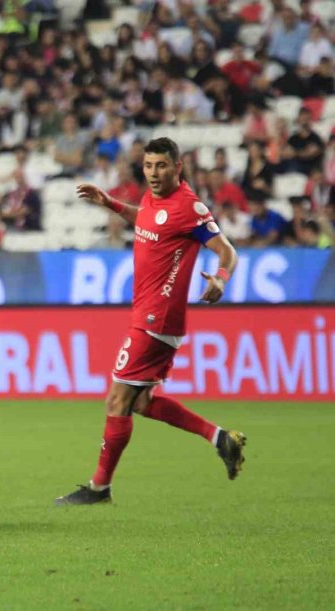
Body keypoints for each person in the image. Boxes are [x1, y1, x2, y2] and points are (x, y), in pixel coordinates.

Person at [58, 137, 245, 505]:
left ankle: (99, 488)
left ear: (178, 167)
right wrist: (109, 203)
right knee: (140, 402)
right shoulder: (153, 198)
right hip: (149, 315)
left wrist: (221, 278)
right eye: (148, 166)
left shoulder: (189, 207)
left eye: (161, 166)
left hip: (156, 318)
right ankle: (219, 437)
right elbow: (146, 219)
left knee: (116, 398)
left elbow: (227, 250)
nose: (154, 173)